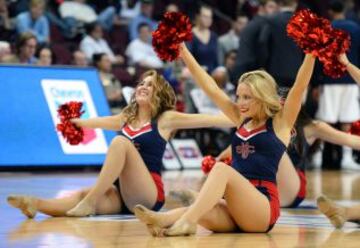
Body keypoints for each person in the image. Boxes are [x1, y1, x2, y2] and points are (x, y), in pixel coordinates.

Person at [134, 43, 315, 235]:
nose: (240, 103)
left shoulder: (280, 123)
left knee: (221, 170)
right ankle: (163, 219)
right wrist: (184, 53)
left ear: (262, 97)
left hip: (263, 208)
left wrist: (312, 53)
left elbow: (299, 86)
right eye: (238, 96)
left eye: (247, 97)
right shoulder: (241, 119)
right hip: (237, 206)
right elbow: (211, 88)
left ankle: (187, 223)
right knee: (204, 207)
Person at [7, 69, 234, 218]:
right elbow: (95, 122)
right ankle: (35, 204)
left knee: (120, 143)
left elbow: (212, 119)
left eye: (150, 85)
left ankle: (90, 201)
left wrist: (244, 117)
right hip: (122, 195)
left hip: (149, 194)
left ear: (160, 94)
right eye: (141, 83)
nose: (143, 86)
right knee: (81, 195)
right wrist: (76, 122)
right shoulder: (126, 117)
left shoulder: (165, 119)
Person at [315, 0, 360, 170]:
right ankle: (347, 157)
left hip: (329, 80)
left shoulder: (326, 29)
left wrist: (316, 83)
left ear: (331, 11)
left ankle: (319, 156)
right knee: (348, 119)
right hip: (350, 79)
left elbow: (317, 57)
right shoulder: (356, 28)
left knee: (325, 120)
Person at [187, 5, 218, 73]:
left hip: (213, 74)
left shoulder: (214, 36)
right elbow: (188, 60)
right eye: (205, 16)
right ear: (197, 16)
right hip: (195, 74)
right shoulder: (189, 35)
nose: (208, 19)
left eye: (210, 17)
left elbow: (216, 61)